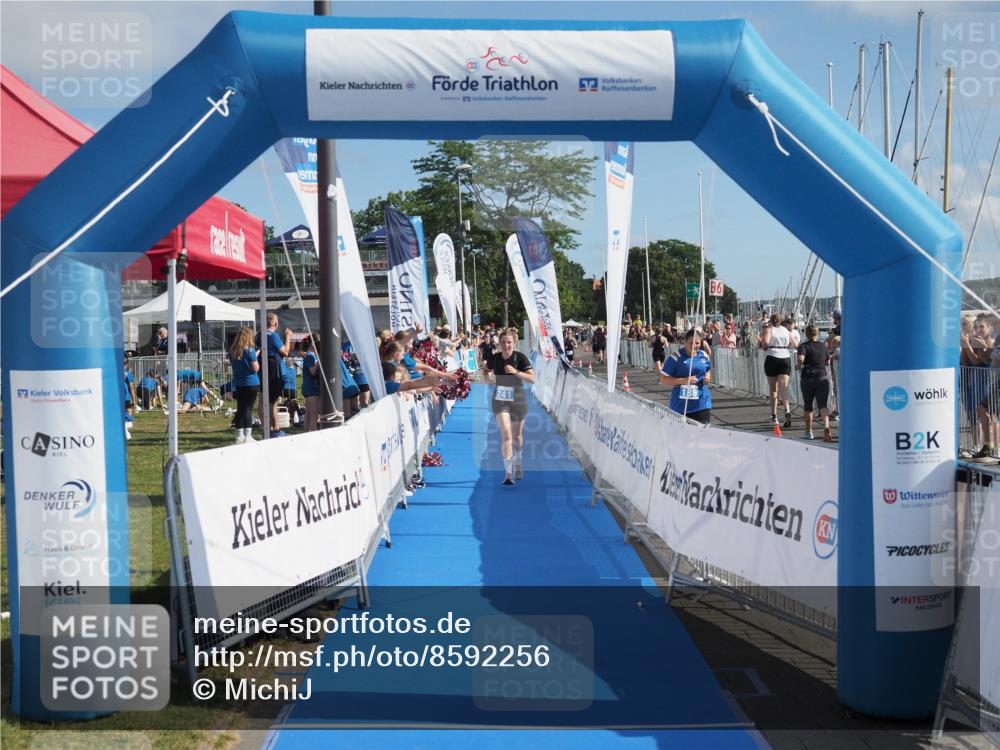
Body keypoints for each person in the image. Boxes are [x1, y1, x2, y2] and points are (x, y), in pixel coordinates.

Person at [483, 329, 536, 486]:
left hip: (518, 399)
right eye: (503, 342)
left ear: (514, 343)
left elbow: (533, 379)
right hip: (500, 399)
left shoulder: (520, 357)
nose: (506, 345)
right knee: (506, 434)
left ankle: (518, 461)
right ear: (499, 344)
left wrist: (517, 372)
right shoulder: (494, 358)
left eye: (509, 342)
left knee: (517, 436)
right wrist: (489, 379)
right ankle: (508, 473)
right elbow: (485, 373)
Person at [659, 328, 712, 424]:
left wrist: (707, 377)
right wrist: (684, 381)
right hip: (681, 404)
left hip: (702, 402)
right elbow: (662, 379)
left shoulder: (703, 355)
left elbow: (707, 369)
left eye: (697, 343)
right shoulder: (676, 357)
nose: (694, 346)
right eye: (691, 343)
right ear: (685, 342)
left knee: (703, 433)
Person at [257, 313, 291, 438]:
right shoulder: (273, 335)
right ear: (275, 324)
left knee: (263, 398)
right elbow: (285, 352)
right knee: (272, 400)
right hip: (274, 370)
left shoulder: (259, 335)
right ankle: (275, 428)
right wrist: (287, 338)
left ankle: (264, 426)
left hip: (262, 369)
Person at [796, 324, 833, 442]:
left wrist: (798, 366)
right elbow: (827, 361)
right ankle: (826, 426)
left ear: (807, 334)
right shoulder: (823, 346)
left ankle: (809, 432)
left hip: (808, 377)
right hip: (822, 377)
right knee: (823, 405)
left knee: (808, 406)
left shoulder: (803, 346)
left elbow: (801, 359)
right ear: (817, 334)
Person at [761, 313, 794, 428]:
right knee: (784, 387)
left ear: (771, 321)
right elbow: (795, 343)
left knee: (773, 389)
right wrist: (785, 346)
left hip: (772, 357)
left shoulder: (769, 329)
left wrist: (764, 346)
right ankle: (787, 411)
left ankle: (774, 416)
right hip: (785, 357)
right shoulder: (785, 330)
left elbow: (765, 343)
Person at [229, 326, 259, 443]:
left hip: (239, 383)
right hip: (251, 382)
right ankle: (248, 436)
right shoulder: (250, 350)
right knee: (248, 409)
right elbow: (255, 368)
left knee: (240, 408)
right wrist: (256, 357)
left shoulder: (233, 351)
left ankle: (239, 435)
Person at [301, 336, 320, 432]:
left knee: (309, 415)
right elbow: (312, 371)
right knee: (314, 414)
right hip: (311, 388)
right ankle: (313, 435)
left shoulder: (310, 355)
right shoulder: (310, 355)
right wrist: (318, 362)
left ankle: (305, 435)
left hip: (309, 388)